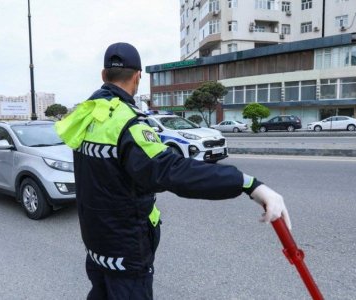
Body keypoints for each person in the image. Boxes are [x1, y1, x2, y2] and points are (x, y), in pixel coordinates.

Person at [56, 42, 291, 300]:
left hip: (95, 245)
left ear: (103, 76)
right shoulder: (127, 123)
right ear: (138, 77)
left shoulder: (85, 116)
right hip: (125, 250)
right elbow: (171, 170)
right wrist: (247, 183)